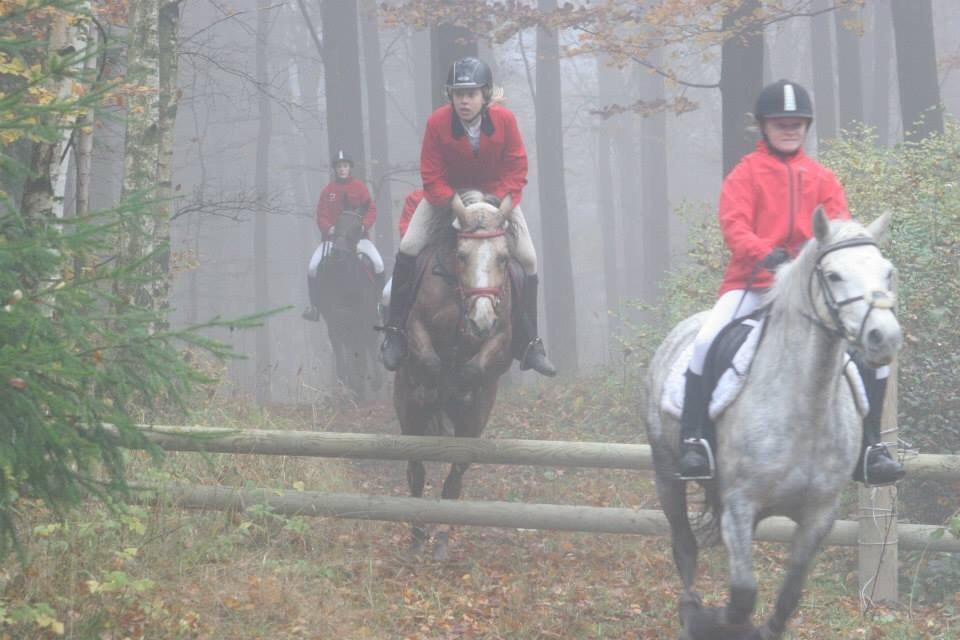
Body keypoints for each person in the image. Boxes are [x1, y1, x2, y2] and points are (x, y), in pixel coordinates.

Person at [677, 79, 905, 487]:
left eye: (797, 123)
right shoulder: (744, 174)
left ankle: (871, 447)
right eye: (781, 123)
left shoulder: (823, 178)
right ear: (763, 126)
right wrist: (764, 252)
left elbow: (837, 231)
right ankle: (695, 439)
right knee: (706, 340)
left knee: (870, 344)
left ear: (807, 126)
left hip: (812, 292)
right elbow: (734, 225)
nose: (790, 129)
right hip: (753, 282)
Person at [378, 56, 556, 377]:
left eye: (471, 94)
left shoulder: (505, 121)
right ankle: (396, 333)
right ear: (451, 96)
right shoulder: (437, 123)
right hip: (446, 198)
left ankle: (530, 343)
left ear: (485, 95)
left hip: (496, 200)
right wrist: (455, 205)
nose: (464, 101)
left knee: (528, 259)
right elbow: (431, 175)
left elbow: (517, 168)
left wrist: (501, 204)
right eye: (458, 94)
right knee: (408, 246)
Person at [302, 149, 384, 321]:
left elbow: (371, 210)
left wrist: (363, 226)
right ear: (335, 169)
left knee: (378, 264)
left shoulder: (360, 188)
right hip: (333, 241)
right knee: (312, 267)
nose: (342, 169)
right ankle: (314, 307)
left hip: (358, 240)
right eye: (339, 166)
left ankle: (379, 305)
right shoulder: (328, 191)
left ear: (350, 168)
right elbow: (321, 214)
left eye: (345, 166)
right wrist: (329, 228)